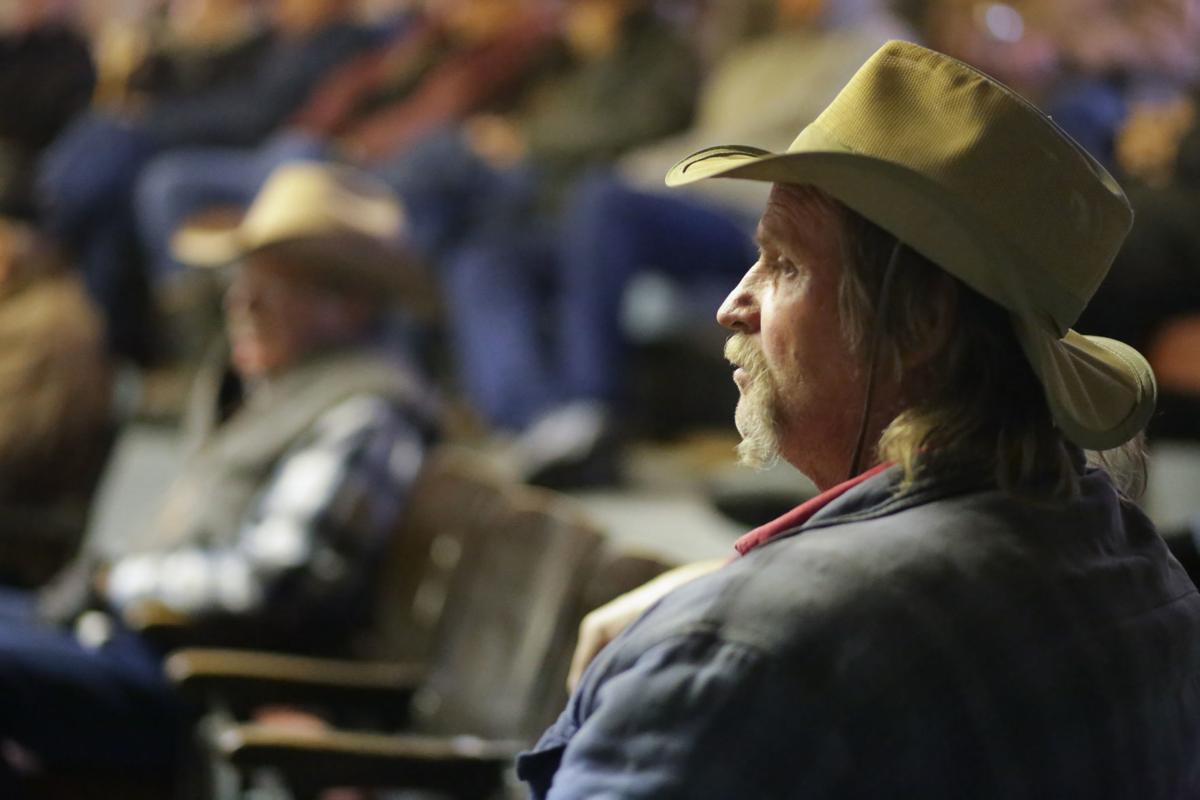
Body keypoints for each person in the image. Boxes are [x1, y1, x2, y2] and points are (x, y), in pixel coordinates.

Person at [519, 40, 1200, 798]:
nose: (731, 305)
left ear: (919, 326)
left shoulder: (741, 652)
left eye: (784, 265)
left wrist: (718, 624)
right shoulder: (1145, 573)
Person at [0, 161, 438, 791]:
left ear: (347, 305)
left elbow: (273, 579)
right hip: (152, 648)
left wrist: (120, 579)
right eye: (242, 279)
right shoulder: (280, 392)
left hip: (197, 682)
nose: (241, 302)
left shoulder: (363, 411)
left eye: (274, 284)